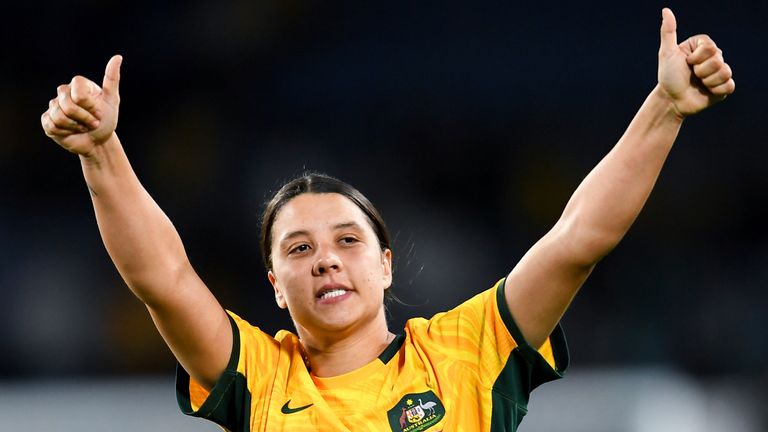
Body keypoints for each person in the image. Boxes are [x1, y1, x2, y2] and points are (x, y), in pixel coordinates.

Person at [40, 8, 734, 432]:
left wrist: (665, 108)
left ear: (386, 264)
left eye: (347, 239)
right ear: (275, 286)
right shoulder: (258, 378)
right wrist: (101, 150)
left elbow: (577, 239)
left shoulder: (469, 353)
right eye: (298, 249)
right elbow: (163, 278)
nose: (325, 258)